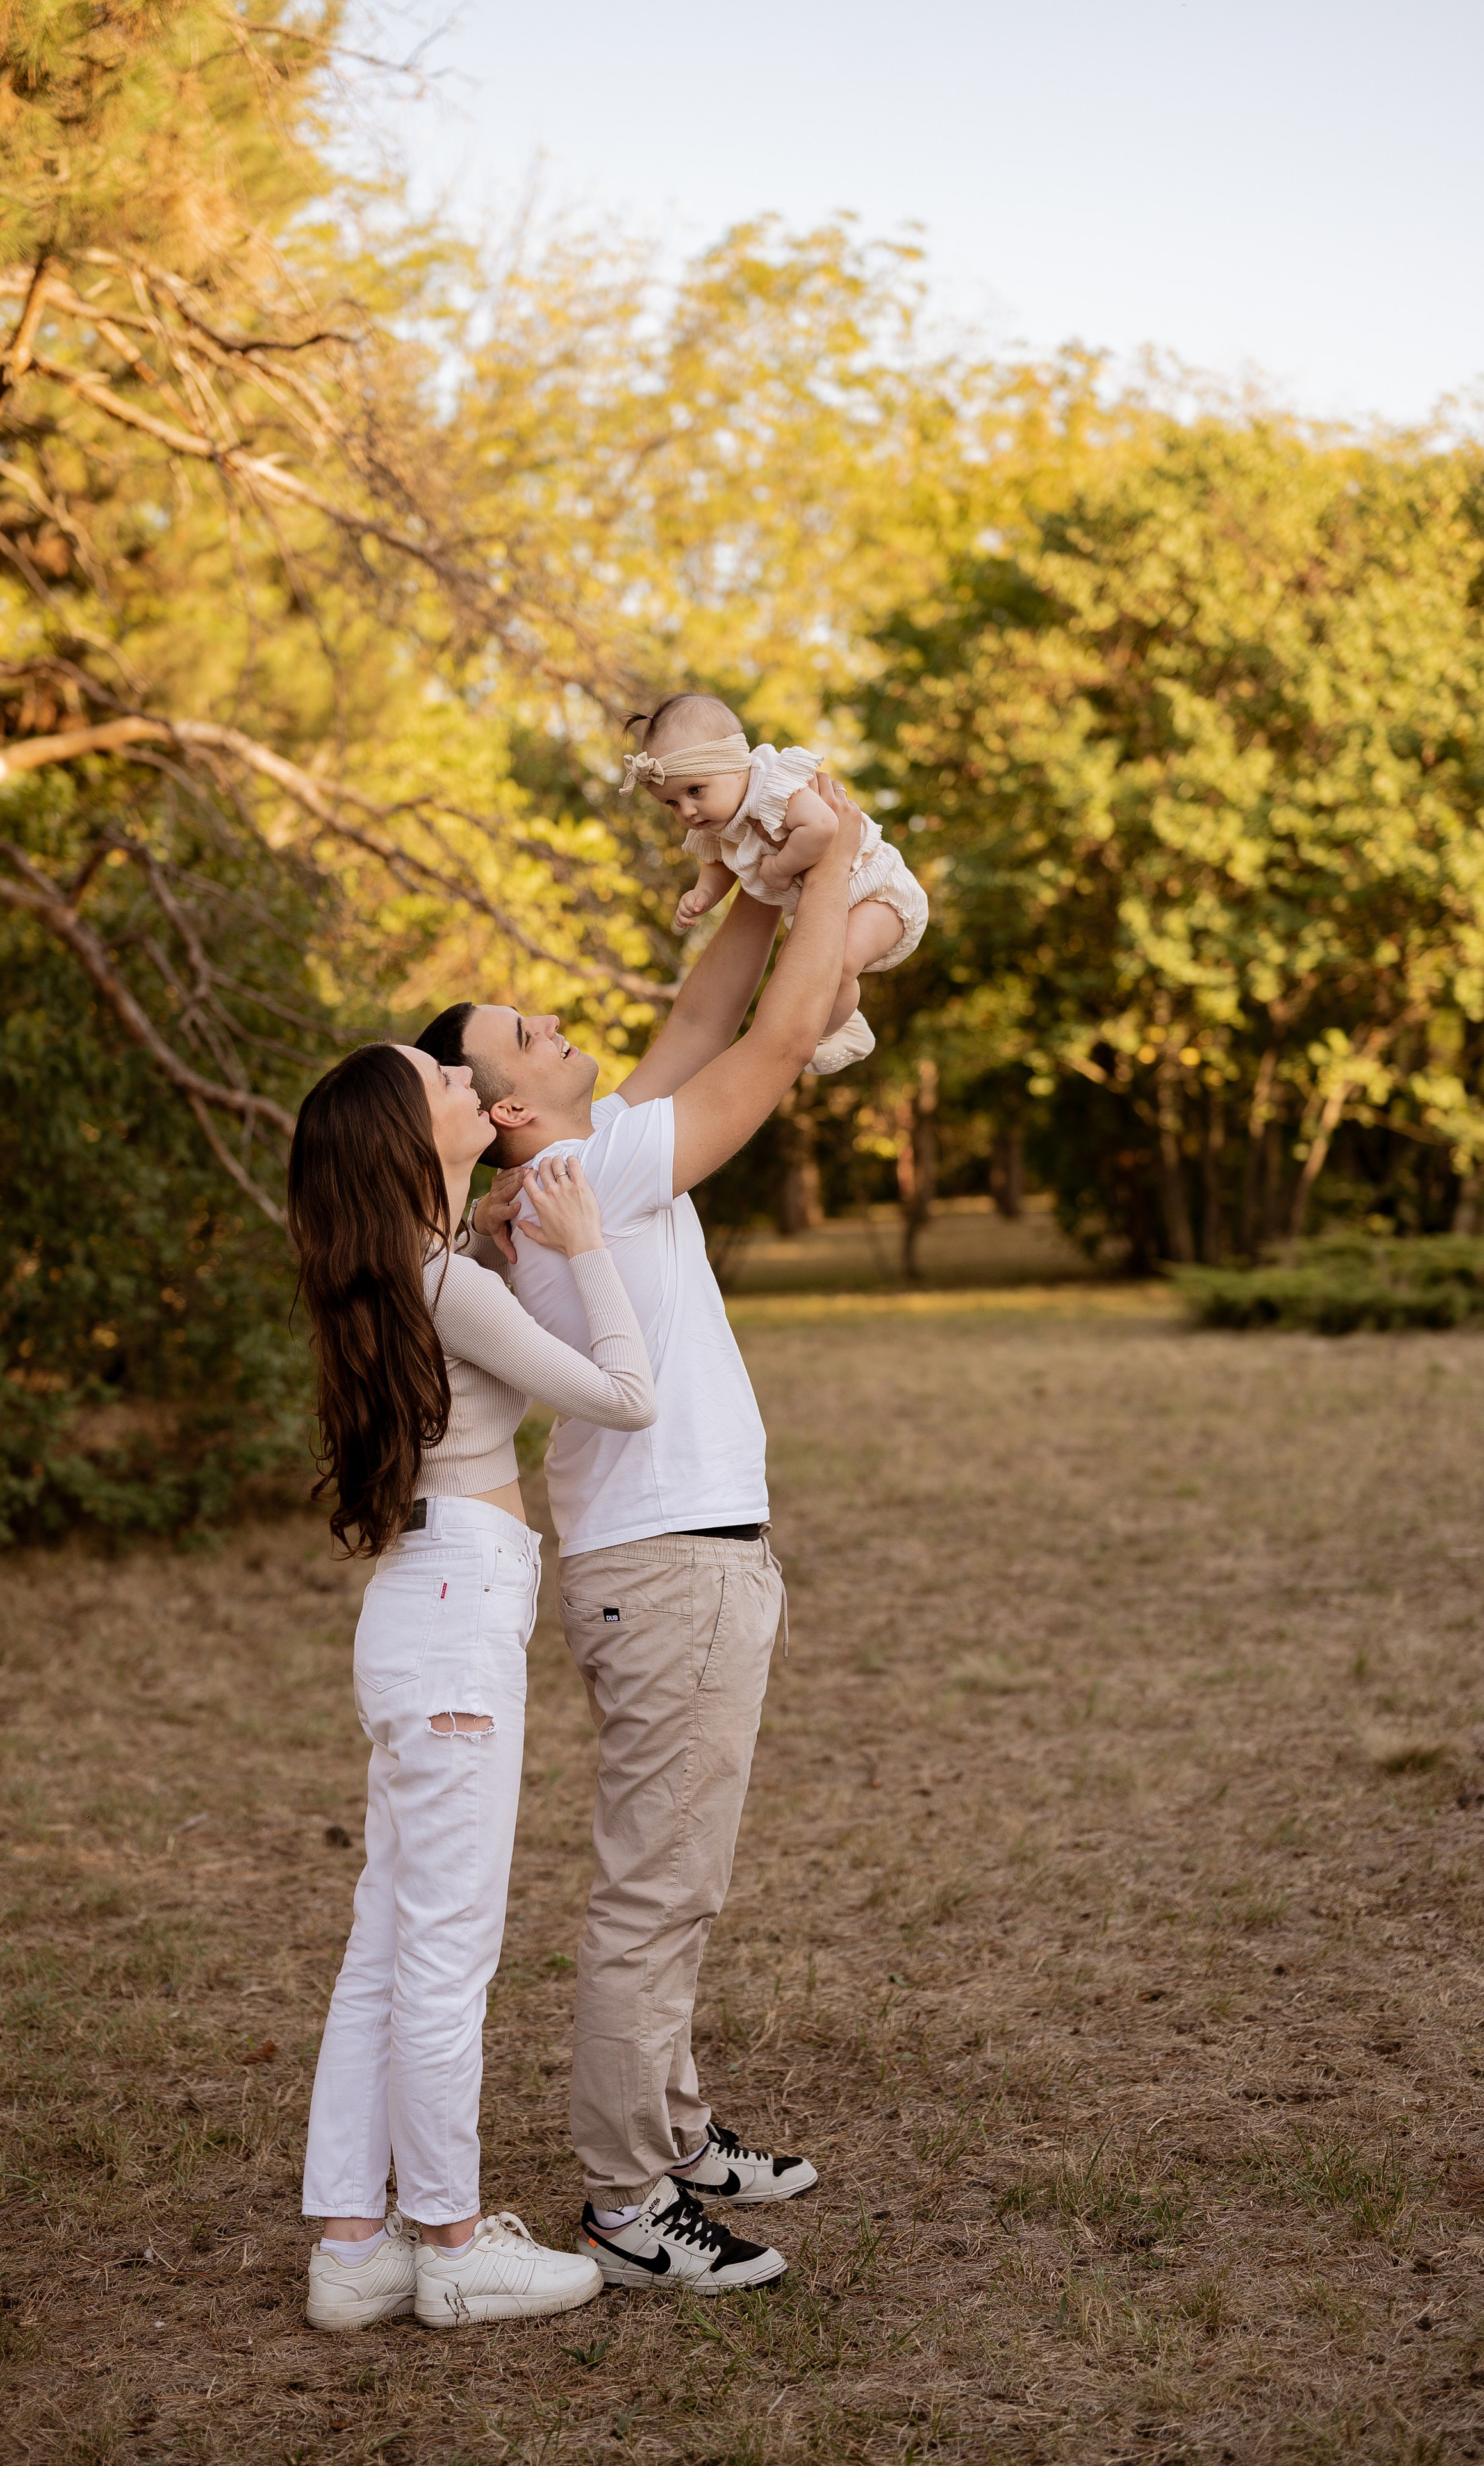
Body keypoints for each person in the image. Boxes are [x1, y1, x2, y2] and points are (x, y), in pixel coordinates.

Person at [414, 770, 865, 2294]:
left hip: (679, 1559)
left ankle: (670, 2128)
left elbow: (706, 1009)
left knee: (678, 1873)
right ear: (510, 1107)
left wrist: (757, 873)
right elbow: (774, 1044)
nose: (551, 1020)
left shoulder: (584, 1149)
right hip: (668, 1570)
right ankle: (626, 2198)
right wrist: (837, 853)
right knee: (656, 1890)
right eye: (525, 1030)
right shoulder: (579, 1169)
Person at [289, 1039, 660, 2333]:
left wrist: (494, 1238)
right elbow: (625, 1394)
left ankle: (353, 2243)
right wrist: (587, 1244)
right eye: (438, 1078)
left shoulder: (407, 1272)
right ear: (407, 1137)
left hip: (420, 1605)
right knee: (445, 1950)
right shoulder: (440, 1281)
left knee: (388, 1943)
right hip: (453, 1614)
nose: (464, 1074)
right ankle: (450, 2242)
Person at [622, 691, 928, 1075]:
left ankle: (822, 1035)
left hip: (877, 892)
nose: (687, 811)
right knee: (794, 970)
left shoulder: (771, 786)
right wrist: (704, 893)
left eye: (694, 791)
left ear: (734, 766)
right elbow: (717, 863)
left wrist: (781, 868)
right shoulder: (717, 821)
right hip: (829, 910)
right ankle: (845, 1022)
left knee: (839, 962)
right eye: (671, 803)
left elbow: (823, 827)